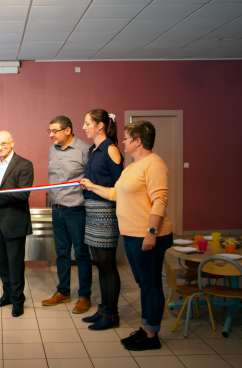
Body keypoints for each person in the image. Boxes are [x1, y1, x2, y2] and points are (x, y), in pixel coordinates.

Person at [81, 120, 173, 351]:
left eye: (126, 138)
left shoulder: (154, 164)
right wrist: (91, 186)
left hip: (147, 235)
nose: (122, 141)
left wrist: (151, 233)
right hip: (132, 234)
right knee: (143, 283)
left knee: (150, 285)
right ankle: (145, 329)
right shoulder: (133, 166)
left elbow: (160, 199)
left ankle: (151, 334)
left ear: (138, 141)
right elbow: (115, 194)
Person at [43, 116, 93, 315]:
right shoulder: (52, 150)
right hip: (57, 210)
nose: (51, 135)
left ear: (68, 130)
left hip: (77, 211)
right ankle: (63, 292)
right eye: (49, 131)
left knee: (81, 254)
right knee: (62, 254)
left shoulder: (84, 149)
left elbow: (91, 180)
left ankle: (85, 296)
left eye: (54, 131)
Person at [79, 109, 124, 330]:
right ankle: (104, 308)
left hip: (106, 211)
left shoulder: (111, 150)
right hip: (92, 210)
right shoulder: (93, 150)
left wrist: (92, 186)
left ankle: (112, 314)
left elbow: (120, 188)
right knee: (99, 263)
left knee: (108, 265)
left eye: (88, 123)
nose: (84, 127)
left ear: (100, 126)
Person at [0, 131, 34, 318]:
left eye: (4, 143)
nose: (0, 147)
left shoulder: (24, 165)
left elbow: (23, 194)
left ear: (12, 143)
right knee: (3, 263)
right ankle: (7, 295)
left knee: (15, 264)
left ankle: (18, 300)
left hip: (14, 221)